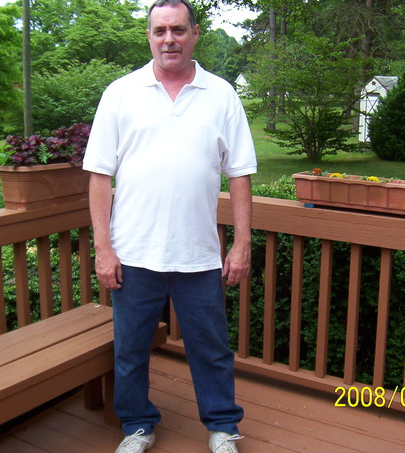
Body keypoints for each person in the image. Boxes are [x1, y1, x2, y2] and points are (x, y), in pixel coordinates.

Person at [83, 0, 257, 451]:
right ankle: (137, 426)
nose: (169, 39)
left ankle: (222, 427)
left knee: (211, 348)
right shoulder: (120, 93)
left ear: (194, 33)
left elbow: (239, 174)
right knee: (130, 349)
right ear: (148, 36)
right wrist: (104, 248)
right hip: (133, 253)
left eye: (178, 30)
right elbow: (99, 176)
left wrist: (241, 243)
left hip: (198, 254)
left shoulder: (221, 94)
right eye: (159, 31)